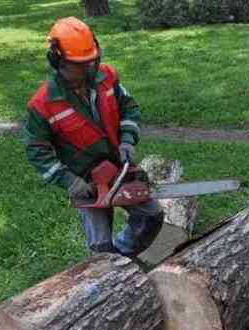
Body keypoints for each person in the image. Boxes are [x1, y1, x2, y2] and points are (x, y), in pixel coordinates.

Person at [23, 17, 164, 257]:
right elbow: (37, 150)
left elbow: (129, 108)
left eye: (91, 61)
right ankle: (108, 269)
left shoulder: (106, 77)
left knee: (151, 216)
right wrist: (70, 181)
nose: (88, 69)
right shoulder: (43, 104)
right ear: (58, 60)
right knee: (100, 249)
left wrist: (128, 140)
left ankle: (125, 256)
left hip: (119, 169)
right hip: (85, 181)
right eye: (79, 64)